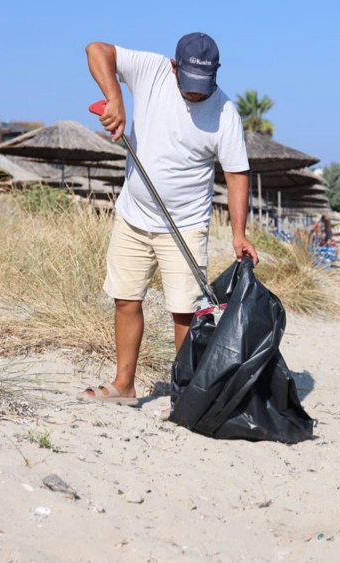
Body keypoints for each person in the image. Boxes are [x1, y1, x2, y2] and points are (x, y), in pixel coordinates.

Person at [81, 33, 258, 405]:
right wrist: (115, 98)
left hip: (186, 225)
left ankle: (185, 395)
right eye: (188, 85)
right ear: (174, 67)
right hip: (134, 215)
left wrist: (239, 234)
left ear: (216, 73)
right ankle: (124, 385)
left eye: (202, 86)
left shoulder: (226, 113)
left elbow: (237, 173)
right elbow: (96, 50)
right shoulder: (152, 70)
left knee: (185, 311)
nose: (194, 94)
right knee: (126, 298)